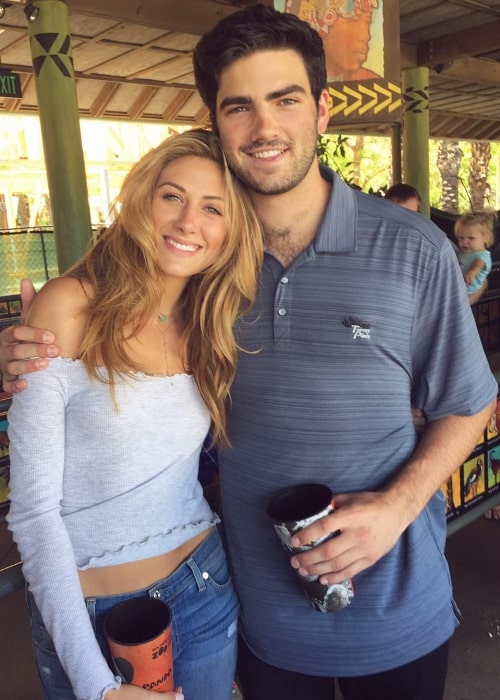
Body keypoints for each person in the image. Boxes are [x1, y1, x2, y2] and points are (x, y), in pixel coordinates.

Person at [0, 6, 497, 700]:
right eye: (239, 107)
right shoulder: (204, 264)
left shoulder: (414, 249)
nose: (264, 128)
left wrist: (394, 509)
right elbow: (108, 306)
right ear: (217, 123)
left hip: (396, 610)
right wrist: (32, 345)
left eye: (285, 100)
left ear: (322, 110)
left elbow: (469, 402)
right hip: (253, 615)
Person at [5, 129, 263, 700]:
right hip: (96, 616)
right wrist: (98, 686)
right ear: (142, 201)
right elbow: (33, 515)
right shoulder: (69, 307)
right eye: (172, 196)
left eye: (213, 208)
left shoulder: (210, 324)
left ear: (230, 233)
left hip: (204, 582)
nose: (188, 221)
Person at [286, 0, 382, 82]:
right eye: (353, 22)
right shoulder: (289, 83)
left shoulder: (372, 83)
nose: (366, 36)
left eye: (367, 22)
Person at [454, 211, 495, 304]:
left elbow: (478, 264)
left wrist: (472, 273)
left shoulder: (483, 255)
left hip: (468, 293)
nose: (464, 241)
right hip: (457, 288)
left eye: (471, 238)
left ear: (486, 238)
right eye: (461, 238)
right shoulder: (462, 253)